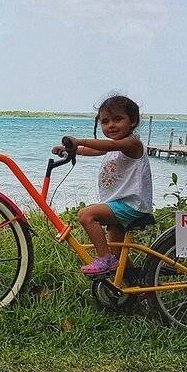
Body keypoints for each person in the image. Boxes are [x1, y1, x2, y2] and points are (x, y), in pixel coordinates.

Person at [52, 95, 153, 275]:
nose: (111, 125)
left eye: (117, 119)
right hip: (118, 203)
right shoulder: (114, 145)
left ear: (133, 121)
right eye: (105, 122)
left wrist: (80, 140)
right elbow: (96, 149)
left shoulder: (132, 143)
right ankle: (136, 283)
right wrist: (73, 150)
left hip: (131, 205)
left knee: (86, 215)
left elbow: (106, 145)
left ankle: (104, 259)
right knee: (118, 253)